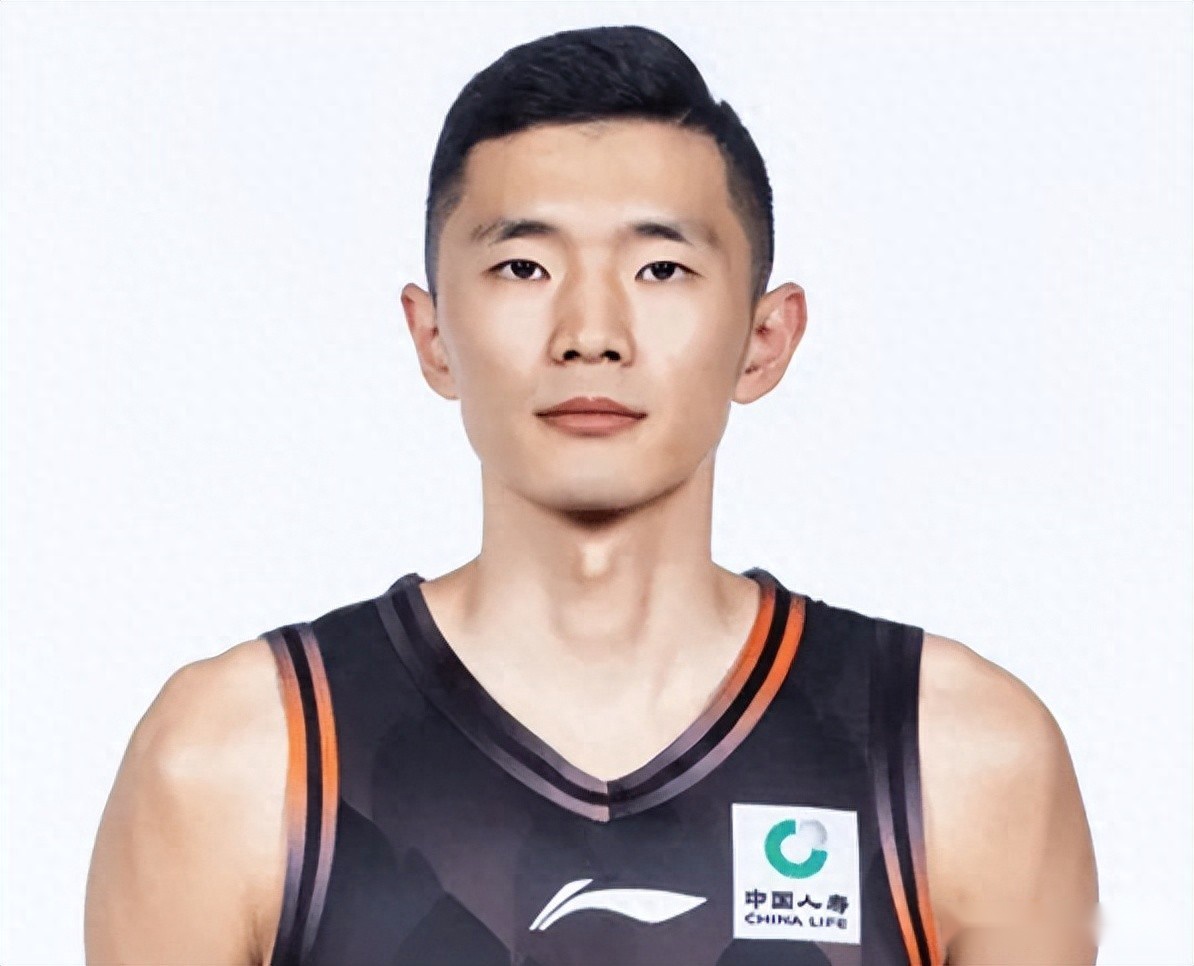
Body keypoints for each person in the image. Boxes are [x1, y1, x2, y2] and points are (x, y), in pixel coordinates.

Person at [83, 24, 1099, 966]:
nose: (591, 333)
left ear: (765, 338)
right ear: (433, 336)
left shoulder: (959, 761)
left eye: (660, 269)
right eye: (524, 266)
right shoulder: (237, 763)